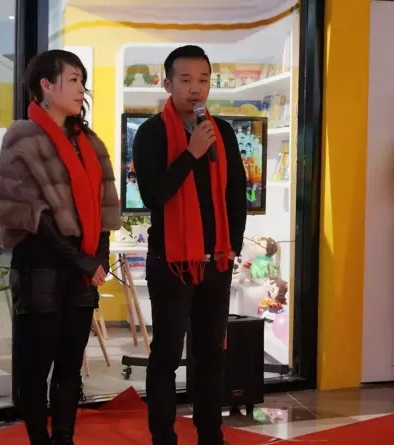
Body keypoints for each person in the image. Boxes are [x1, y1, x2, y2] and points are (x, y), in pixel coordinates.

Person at [0, 49, 121, 445]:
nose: (81, 88)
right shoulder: (22, 136)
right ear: (46, 86)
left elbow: (106, 206)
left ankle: (64, 437)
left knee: (69, 366)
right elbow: (28, 213)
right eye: (73, 80)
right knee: (35, 370)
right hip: (41, 268)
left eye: (83, 80)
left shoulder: (90, 141)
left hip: (80, 272)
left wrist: (98, 257)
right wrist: (80, 259)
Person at [132, 45, 247, 445]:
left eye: (203, 79)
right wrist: (190, 152)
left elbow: (236, 192)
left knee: (211, 354)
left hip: (216, 261)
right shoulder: (150, 134)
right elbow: (154, 195)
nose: (196, 88)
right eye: (185, 80)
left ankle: (210, 435)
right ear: (167, 83)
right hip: (172, 263)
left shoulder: (222, 131)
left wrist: (233, 245)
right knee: (166, 355)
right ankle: (163, 437)